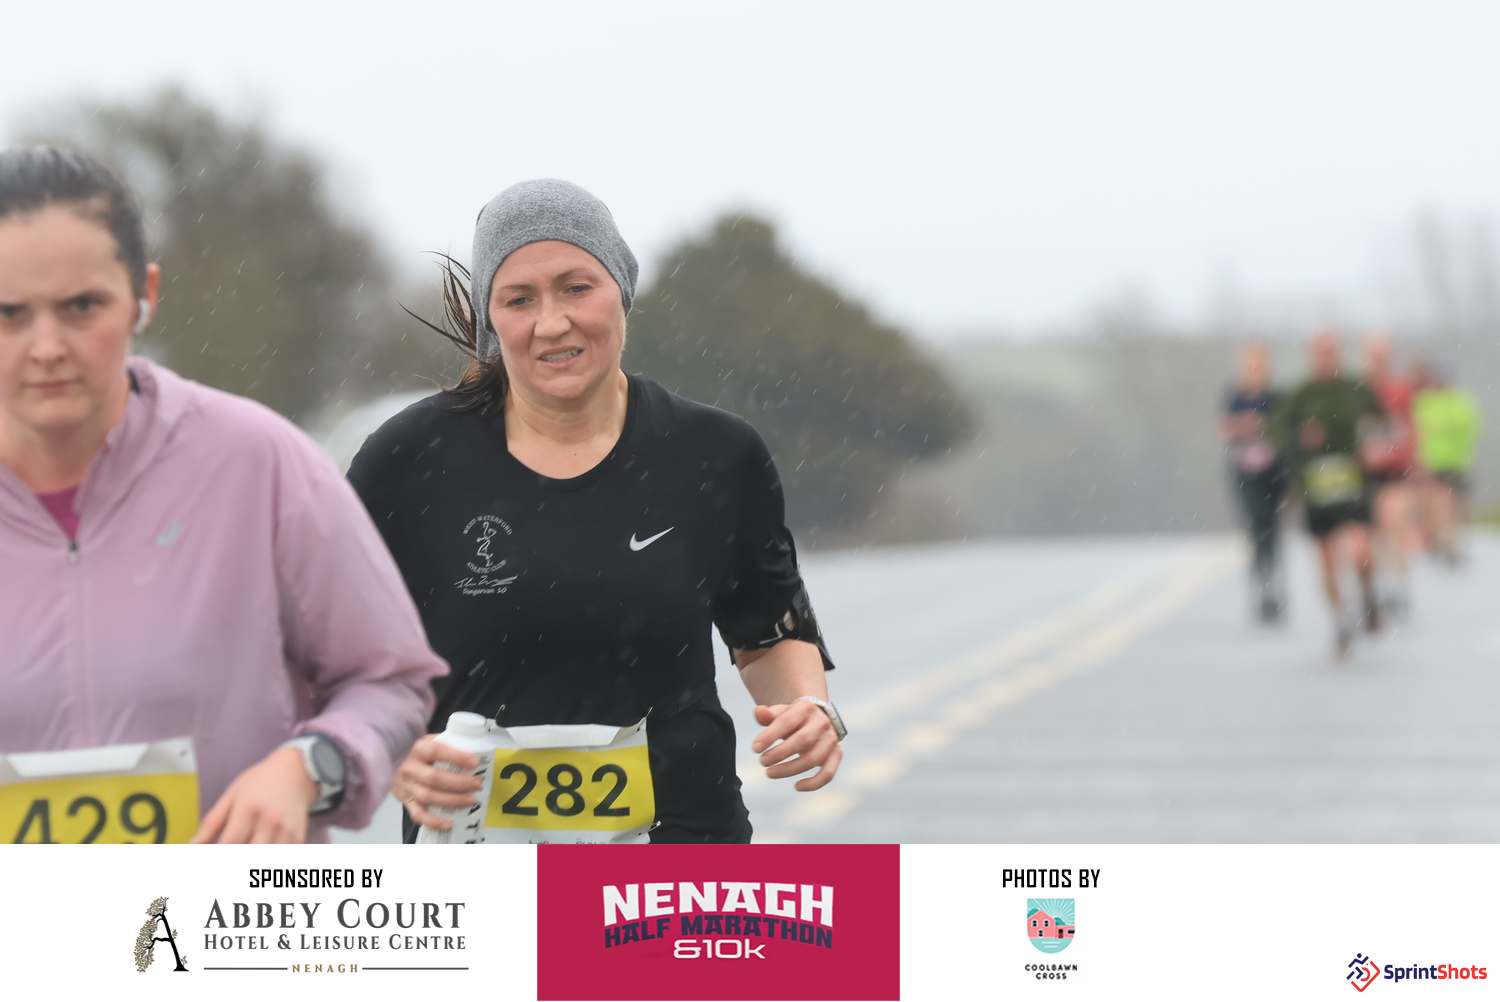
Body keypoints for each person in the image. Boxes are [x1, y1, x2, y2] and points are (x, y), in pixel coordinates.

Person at [348, 179, 846, 844]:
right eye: (519, 299)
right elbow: (326, 651)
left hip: (681, 853)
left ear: (622, 289)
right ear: (491, 320)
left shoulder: (716, 455)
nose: (553, 323)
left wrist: (809, 709)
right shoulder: (411, 459)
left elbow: (770, 633)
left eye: (576, 287)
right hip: (473, 863)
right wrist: (388, 748)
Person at [0, 147, 447, 843]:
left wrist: (309, 766)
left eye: (82, 306)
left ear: (145, 294)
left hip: (231, 911)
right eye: (8, 313)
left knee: (592, 916)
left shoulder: (258, 461)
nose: (46, 346)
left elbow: (389, 682)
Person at [1273, 330, 1386, 659]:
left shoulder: (1355, 389)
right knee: (1326, 561)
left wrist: (1375, 446)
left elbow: (1383, 423)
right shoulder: (1300, 395)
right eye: (1320, 352)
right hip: (1317, 486)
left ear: (1338, 354)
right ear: (1311, 355)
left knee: (1361, 549)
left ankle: (1367, 595)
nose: (1326, 358)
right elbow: (1277, 434)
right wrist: (1299, 440)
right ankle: (1341, 621)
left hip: (1353, 481)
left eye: (1331, 351)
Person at [1220, 342, 1287, 623]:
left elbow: (1282, 428)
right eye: (1251, 364)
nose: (1255, 369)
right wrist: (1253, 426)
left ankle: (1274, 584)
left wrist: (1256, 425)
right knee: (1256, 525)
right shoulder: (1235, 396)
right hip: (1245, 473)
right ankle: (1262, 584)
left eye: (1259, 364)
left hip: (1274, 471)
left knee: (1273, 528)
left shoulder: (1276, 396)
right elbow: (1226, 429)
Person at [1359, 334, 1420, 616]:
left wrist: (1416, 462)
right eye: (1374, 357)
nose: (1378, 362)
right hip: (1366, 474)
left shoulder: (1402, 390)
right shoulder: (1358, 391)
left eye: (1382, 357)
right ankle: (1383, 584)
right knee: (1374, 533)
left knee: (1395, 523)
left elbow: (1415, 427)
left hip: (1396, 470)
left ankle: (1399, 584)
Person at [1412, 363, 1481, 565]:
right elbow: (1417, 431)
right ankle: (1440, 540)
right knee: (1438, 503)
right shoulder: (1425, 401)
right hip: (1433, 463)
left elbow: (1469, 430)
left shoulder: (1460, 402)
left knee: (1452, 504)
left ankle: (1449, 541)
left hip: (1456, 463)